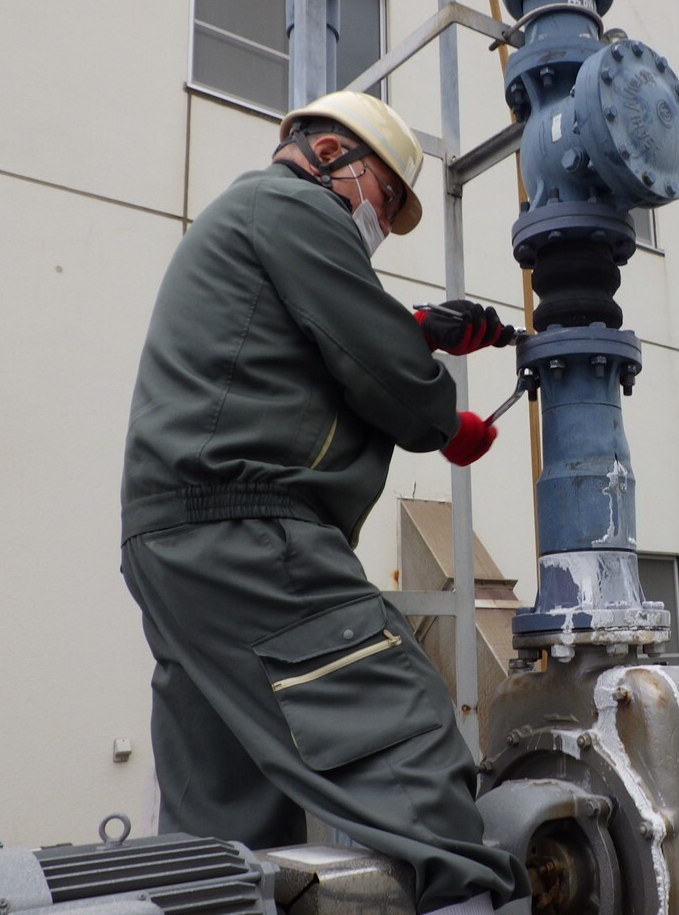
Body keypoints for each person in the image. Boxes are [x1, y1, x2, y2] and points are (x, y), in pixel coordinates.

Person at [120, 90, 528, 915]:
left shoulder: (250, 219)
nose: (380, 221)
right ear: (340, 157)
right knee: (404, 732)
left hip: (176, 541)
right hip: (248, 527)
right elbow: (378, 369)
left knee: (226, 809)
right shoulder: (290, 204)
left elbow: (302, 331)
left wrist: (420, 325)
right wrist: (443, 419)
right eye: (387, 198)